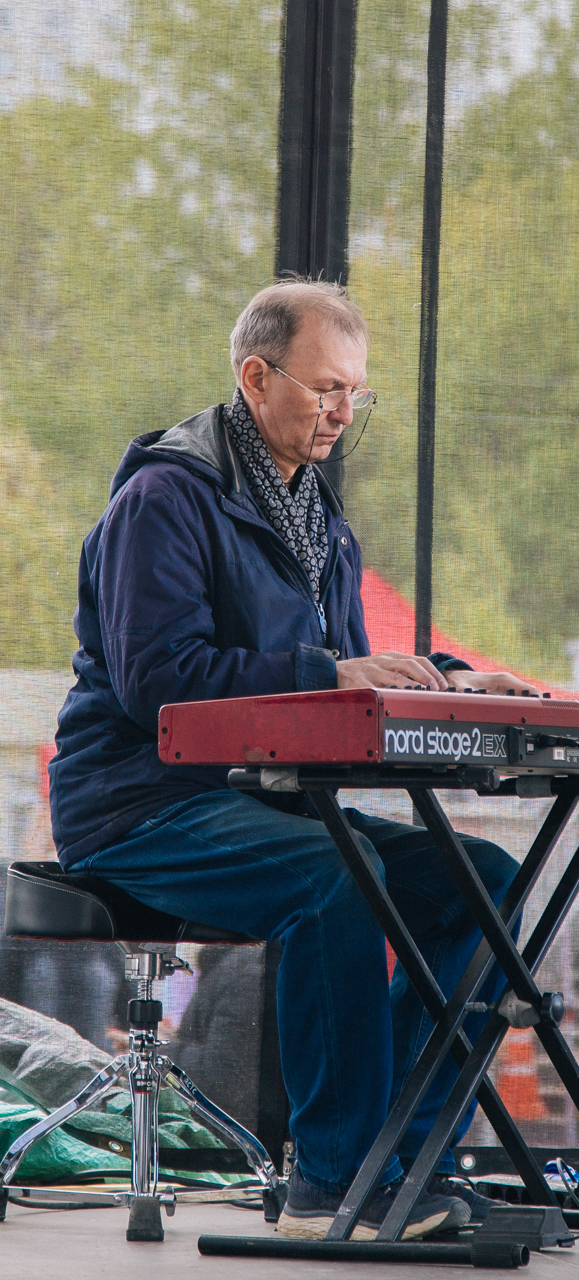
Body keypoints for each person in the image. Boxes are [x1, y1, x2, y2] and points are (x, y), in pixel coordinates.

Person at [49, 279, 538, 1240]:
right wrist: (330, 671)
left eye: (356, 392)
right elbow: (160, 683)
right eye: (325, 388)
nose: (342, 412)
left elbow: (351, 668)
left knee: (485, 884)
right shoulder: (163, 500)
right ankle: (330, 1185)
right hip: (138, 806)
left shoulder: (318, 517)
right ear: (255, 376)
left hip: (260, 802)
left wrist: (455, 681)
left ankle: (399, 1164)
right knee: (334, 880)